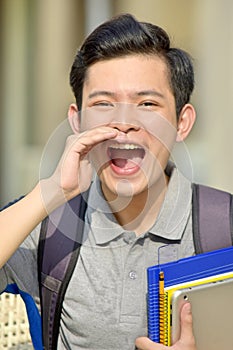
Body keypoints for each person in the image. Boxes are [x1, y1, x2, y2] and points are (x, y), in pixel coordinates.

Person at [0, 13, 198, 350]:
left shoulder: (223, 225)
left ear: (181, 122)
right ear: (77, 121)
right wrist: (50, 193)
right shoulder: (47, 228)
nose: (123, 123)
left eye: (147, 103)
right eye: (103, 104)